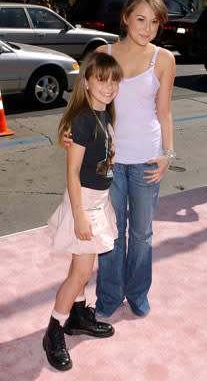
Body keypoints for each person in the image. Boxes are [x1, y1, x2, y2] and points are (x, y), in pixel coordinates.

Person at [63, 0, 176, 319]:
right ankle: (110, 294)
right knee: (111, 233)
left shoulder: (164, 59)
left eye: (155, 22)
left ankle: (138, 292)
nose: (147, 28)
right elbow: (85, 97)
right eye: (140, 19)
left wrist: (167, 154)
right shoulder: (104, 52)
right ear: (126, 18)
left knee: (142, 234)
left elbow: (165, 112)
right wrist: (72, 130)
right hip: (106, 161)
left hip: (147, 160)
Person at [43, 52, 122, 371]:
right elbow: (73, 173)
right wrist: (79, 215)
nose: (109, 86)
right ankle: (53, 332)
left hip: (98, 202)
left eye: (114, 80)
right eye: (101, 79)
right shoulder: (85, 119)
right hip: (84, 204)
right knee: (81, 273)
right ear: (86, 82)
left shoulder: (104, 114)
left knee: (81, 268)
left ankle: (76, 316)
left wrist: (105, 204)